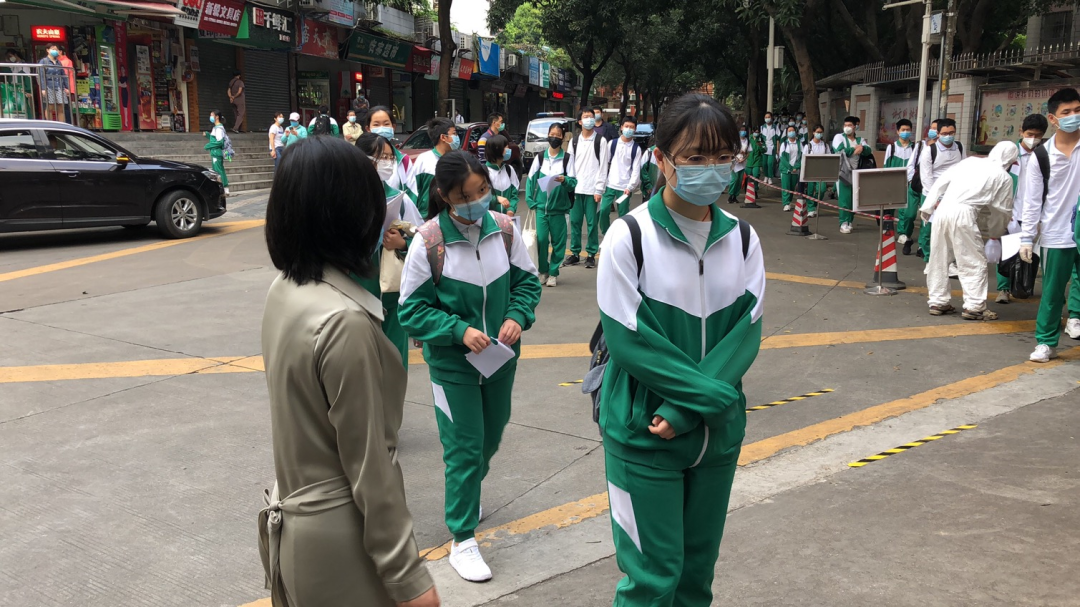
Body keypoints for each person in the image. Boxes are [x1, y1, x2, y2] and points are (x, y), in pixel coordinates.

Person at [596, 93, 764, 607]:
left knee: (695, 579)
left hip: (715, 439)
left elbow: (745, 333)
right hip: (644, 436)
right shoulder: (628, 236)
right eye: (695, 157)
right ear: (662, 159)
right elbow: (629, 340)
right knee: (652, 580)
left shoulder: (743, 239)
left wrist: (686, 410)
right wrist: (700, 403)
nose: (711, 168)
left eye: (723, 156)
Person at [260, 136, 439, 607]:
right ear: (349, 215)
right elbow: (370, 466)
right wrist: (409, 578)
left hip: (296, 529)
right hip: (345, 547)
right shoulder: (344, 323)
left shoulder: (286, 289)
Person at [397, 151, 542, 583]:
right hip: (452, 367)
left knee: (489, 439)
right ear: (444, 196)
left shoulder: (505, 229)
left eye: (482, 190)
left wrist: (517, 315)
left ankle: (468, 492)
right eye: (465, 196)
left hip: (499, 360)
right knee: (464, 448)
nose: (477, 201)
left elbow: (527, 283)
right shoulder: (428, 243)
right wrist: (458, 330)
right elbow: (411, 311)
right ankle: (462, 538)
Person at [919, 141, 1017, 320]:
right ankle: (974, 306)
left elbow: (941, 181)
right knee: (973, 261)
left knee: (939, 257)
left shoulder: (970, 162)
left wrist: (928, 207)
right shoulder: (1004, 177)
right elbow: (1002, 211)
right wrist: (995, 233)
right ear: (1011, 160)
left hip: (942, 211)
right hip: (964, 215)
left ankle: (938, 301)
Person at [353, 132, 425, 367]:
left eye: (389, 157)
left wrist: (402, 244)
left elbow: (425, 241)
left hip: (391, 294)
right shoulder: (343, 199)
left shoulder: (399, 200)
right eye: (381, 157)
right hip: (354, 291)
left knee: (394, 361)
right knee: (360, 362)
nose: (387, 163)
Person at [1021, 88, 1080, 363]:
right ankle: (1045, 342)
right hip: (1056, 233)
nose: (1074, 116)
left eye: (1078, 110)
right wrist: (1026, 238)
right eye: (1066, 112)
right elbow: (1032, 201)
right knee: (1053, 292)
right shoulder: (1041, 156)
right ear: (1053, 119)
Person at [995, 114, 1048, 304]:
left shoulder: (1044, 155)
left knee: (1033, 253)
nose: (1033, 138)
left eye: (1038, 135)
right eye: (1029, 134)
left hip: (1035, 212)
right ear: (1021, 132)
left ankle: (1025, 286)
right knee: (1007, 252)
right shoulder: (1010, 154)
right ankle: (1003, 288)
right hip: (1011, 211)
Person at [525, 123, 577, 287]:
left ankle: (553, 273)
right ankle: (543, 271)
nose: (554, 137)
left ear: (563, 137)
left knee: (558, 243)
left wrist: (565, 180)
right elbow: (530, 180)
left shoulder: (567, 159)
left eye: (558, 135)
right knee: (541, 241)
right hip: (541, 208)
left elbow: (573, 183)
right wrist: (530, 200)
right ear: (548, 136)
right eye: (552, 134)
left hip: (559, 210)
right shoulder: (540, 157)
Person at [566, 108, 611, 269]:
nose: (589, 119)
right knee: (575, 222)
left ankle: (591, 254)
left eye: (591, 117)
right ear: (580, 122)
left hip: (592, 189)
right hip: (576, 189)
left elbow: (603, 166)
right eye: (586, 117)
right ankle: (575, 252)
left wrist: (599, 189)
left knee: (592, 224)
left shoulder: (601, 141)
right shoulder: (574, 141)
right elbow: (569, 165)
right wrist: (569, 185)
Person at [916, 118, 965, 261]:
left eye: (951, 133)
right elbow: (926, 177)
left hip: (953, 194)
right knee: (929, 228)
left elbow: (964, 169)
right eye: (944, 133)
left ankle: (948, 259)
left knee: (951, 228)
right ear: (938, 134)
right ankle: (929, 258)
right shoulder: (929, 151)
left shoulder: (959, 147)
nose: (948, 136)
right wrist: (935, 199)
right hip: (931, 194)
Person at [899, 119, 940, 255]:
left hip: (930, 190)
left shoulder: (942, 149)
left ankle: (922, 246)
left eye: (936, 128)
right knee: (909, 214)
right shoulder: (921, 145)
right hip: (916, 186)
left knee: (926, 219)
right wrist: (911, 179)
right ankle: (906, 235)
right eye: (931, 128)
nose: (932, 131)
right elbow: (911, 164)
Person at [599, 116, 643, 234]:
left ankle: (621, 236)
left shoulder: (636, 149)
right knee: (603, 211)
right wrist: (601, 182)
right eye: (626, 126)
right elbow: (604, 164)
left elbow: (636, 170)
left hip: (625, 187)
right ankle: (606, 233)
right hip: (610, 184)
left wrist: (630, 187)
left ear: (635, 129)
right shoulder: (612, 144)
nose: (629, 129)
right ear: (622, 127)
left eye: (631, 127)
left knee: (623, 216)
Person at [407, 117, 459, 217]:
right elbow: (413, 190)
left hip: (452, 217)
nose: (457, 137)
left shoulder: (459, 160)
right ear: (443, 137)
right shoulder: (424, 160)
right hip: (426, 217)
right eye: (454, 133)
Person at [832, 116, 873, 234]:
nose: (847, 128)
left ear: (855, 127)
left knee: (854, 199)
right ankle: (843, 222)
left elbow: (868, 150)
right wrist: (854, 149)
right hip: (843, 172)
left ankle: (850, 220)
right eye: (845, 125)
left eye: (850, 125)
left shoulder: (860, 140)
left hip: (857, 172)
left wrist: (862, 148)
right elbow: (840, 151)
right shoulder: (839, 137)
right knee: (844, 198)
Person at [367, 105, 417, 200]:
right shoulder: (360, 159)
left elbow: (412, 194)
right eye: (376, 125)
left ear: (393, 127)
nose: (382, 128)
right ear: (368, 129)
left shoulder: (404, 160)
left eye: (386, 124)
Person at [483, 134, 518, 214]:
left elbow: (514, 194)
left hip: (507, 219)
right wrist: (496, 199)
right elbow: (480, 198)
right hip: (489, 219)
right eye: (506, 147)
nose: (509, 150)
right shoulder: (483, 172)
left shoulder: (509, 169)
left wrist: (511, 209)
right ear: (497, 149)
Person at [802, 125, 830, 217]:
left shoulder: (825, 145)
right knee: (810, 191)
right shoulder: (808, 146)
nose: (819, 134)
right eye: (817, 132)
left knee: (822, 190)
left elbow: (829, 158)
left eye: (821, 132)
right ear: (813, 132)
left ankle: (814, 204)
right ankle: (810, 209)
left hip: (821, 171)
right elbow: (804, 159)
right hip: (810, 171)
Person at [37, 44, 68, 122]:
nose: (55, 51)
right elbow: (41, 76)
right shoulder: (44, 61)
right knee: (50, 107)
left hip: (59, 86)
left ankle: (61, 125)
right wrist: (43, 88)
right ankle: (50, 125)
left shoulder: (58, 62)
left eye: (56, 49)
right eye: (53, 49)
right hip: (49, 86)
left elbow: (63, 75)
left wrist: (67, 87)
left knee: (61, 107)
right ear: (47, 50)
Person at [204, 110, 229, 196]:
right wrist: (208, 135)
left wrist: (208, 146)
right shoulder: (216, 128)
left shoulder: (218, 129)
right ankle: (224, 189)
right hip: (215, 152)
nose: (210, 117)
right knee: (219, 170)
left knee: (218, 171)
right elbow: (214, 139)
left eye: (212, 115)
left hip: (216, 152)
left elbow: (220, 142)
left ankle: (223, 189)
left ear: (217, 116)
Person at [778, 124, 802, 212]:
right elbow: (782, 157)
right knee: (786, 187)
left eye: (793, 131)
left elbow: (802, 156)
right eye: (789, 131)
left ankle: (789, 201)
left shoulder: (799, 143)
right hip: (786, 169)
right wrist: (790, 167)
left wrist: (796, 167)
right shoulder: (784, 144)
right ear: (787, 133)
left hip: (795, 169)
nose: (791, 132)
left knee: (792, 187)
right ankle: (786, 203)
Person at [726, 126, 751, 204]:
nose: (743, 132)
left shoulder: (747, 141)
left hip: (742, 163)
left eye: (744, 130)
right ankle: (730, 195)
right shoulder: (735, 141)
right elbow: (731, 152)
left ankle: (735, 196)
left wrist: (744, 158)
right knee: (734, 179)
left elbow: (748, 153)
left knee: (739, 180)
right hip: (735, 163)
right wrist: (737, 158)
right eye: (741, 130)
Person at [759, 111, 781, 185]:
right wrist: (761, 146)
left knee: (770, 163)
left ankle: (770, 177)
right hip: (764, 147)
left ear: (771, 118)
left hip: (772, 148)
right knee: (764, 163)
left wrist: (777, 149)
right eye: (766, 117)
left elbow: (778, 139)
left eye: (769, 117)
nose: (767, 118)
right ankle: (766, 176)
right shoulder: (762, 127)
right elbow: (760, 139)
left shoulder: (775, 127)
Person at [58, 48, 75, 123]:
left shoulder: (66, 61)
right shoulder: (57, 61)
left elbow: (64, 74)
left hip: (67, 88)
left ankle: (68, 124)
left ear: (60, 51)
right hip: (61, 87)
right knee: (62, 107)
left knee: (66, 107)